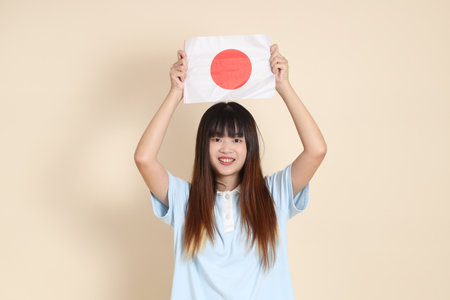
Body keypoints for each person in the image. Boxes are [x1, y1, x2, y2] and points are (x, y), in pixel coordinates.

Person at [134, 44, 327, 300]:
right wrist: (175, 92)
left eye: (237, 140)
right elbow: (143, 158)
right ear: (204, 144)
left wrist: (283, 86)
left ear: (250, 146)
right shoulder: (185, 199)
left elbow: (316, 150)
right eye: (216, 139)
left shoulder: (274, 194)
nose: (226, 148)